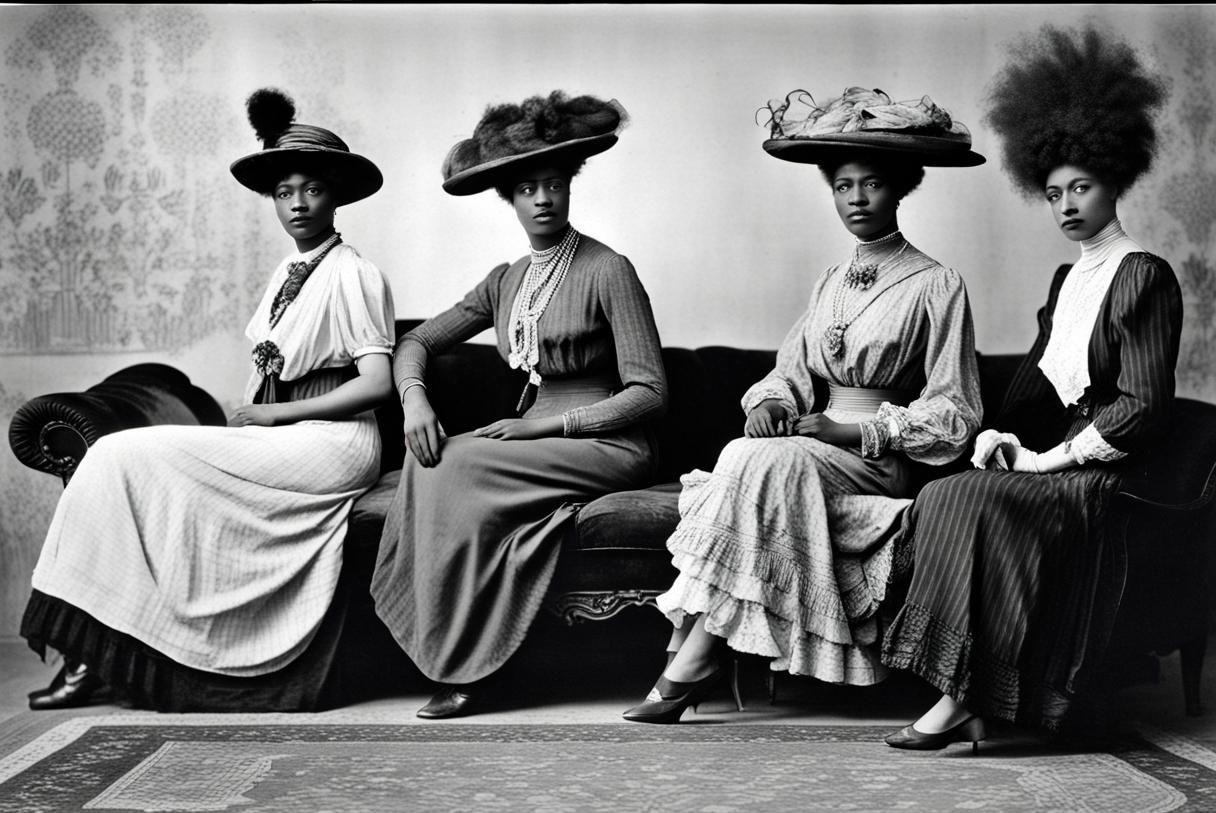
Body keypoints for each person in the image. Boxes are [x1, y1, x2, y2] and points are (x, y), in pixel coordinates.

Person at [21, 88, 396, 711]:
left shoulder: (354, 273)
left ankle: (91, 656)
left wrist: (275, 414)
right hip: (281, 437)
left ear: (337, 195)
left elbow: (378, 384)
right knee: (118, 463)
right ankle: (93, 650)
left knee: (119, 456)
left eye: (312, 190)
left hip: (333, 442)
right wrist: (256, 422)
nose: (298, 204)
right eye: (284, 193)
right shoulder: (286, 274)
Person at [622, 87, 985, 724]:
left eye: (872, 184)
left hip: (878, 455)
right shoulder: (829, 281)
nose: (857, 200)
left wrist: (850, 431)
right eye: (843, 187)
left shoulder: (937, 283)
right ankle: (701, 652)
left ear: (900, 190)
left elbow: (956, 411)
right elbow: (790, 372)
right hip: (814, 450)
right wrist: (768, 403)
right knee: (749, 450)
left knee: (760, 464)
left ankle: (693, 651)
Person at [880, 25, 1183, 751]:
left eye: (1082, 188)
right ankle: (966, 690)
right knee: (948, 490)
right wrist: (999, 433)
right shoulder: (1067, 279)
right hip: (1061, 458)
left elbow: (1141, 407)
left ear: (1115, 181)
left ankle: (966, 699)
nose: (1068, 205)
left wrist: (1049, 462)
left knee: (984, 501)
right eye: (1053, 194)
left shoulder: (1143, 274)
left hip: (1109, 474)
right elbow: (1034, 389)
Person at [371, 91, 667, 719]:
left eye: (554, 183)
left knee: (457, 465)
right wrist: (414, 399)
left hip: (604, 441)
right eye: (528, 187)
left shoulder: (608, 269)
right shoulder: (506, 280)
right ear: (508, 198)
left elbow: (649, 393)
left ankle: (473, 668)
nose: (543, 198)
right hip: (534, 437)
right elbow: (415, 341)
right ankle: (454, 651)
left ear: (569, 188)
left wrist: (549, 426)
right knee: (434, 458)